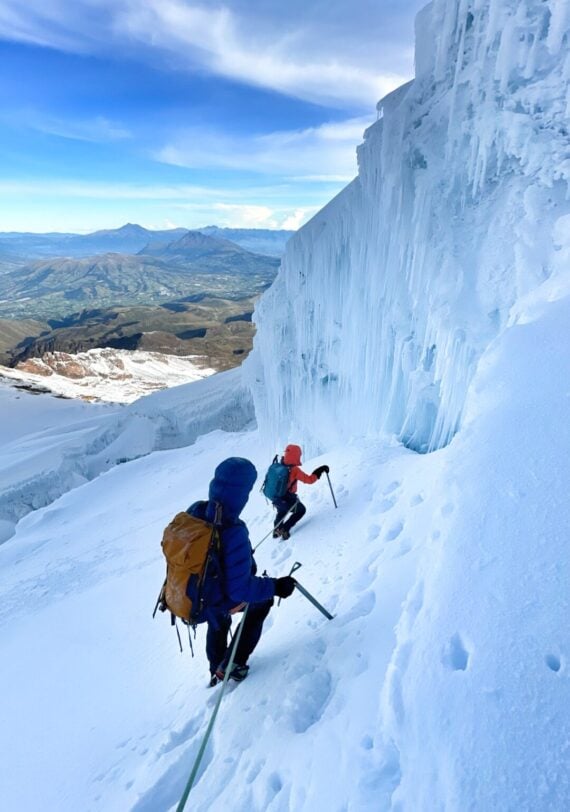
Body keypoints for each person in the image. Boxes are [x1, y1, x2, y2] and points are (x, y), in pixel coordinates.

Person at [187, 457, 296, 685]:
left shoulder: (197, 511)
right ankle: (233, 664)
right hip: (220, 596)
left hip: (198, 593)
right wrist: (275, 587)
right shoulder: (232, 529)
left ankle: (216, 667)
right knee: (260, 602)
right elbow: (241, 589)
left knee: (218, 621)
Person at [272, 444, 329, 540]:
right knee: (301, 510)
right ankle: (285, 529)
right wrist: (319, 470)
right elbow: (309, 480)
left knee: (281, 511)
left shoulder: (278, 464)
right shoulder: (294, 470)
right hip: (288, 497)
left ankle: (277, 529)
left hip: (276, 497)